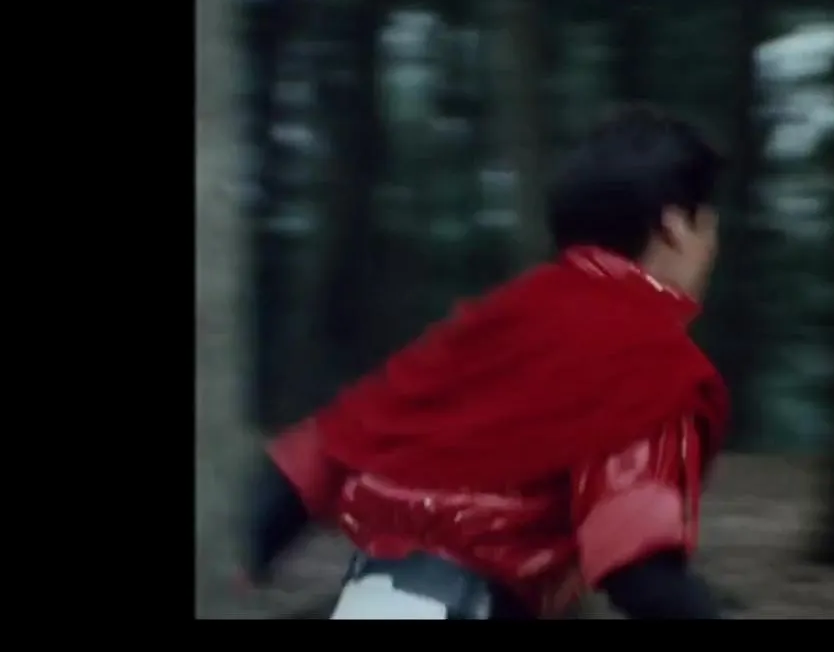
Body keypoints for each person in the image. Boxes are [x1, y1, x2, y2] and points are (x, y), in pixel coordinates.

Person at [240, 105, 729, 619]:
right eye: (709, 227)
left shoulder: (494, 324)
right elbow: (638, 569)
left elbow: (305, 467)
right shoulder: (650, 361)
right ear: (675, 226)